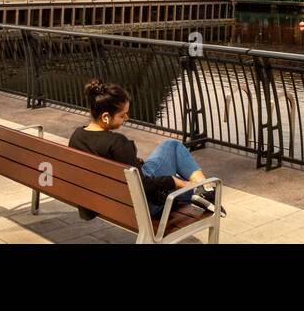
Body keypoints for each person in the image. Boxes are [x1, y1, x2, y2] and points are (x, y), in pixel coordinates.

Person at [68, 79, 222, 222]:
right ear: (106, 117)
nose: (127, 117)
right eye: (122, 115)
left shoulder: (77, 136)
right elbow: (143, 185)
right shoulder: (117, 143)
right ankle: (199, 190)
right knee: (172, 148)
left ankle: (198, 190)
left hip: (101, 203)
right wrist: (174, 181)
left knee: (170, 147)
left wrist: (134, 161)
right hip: (137, 208)